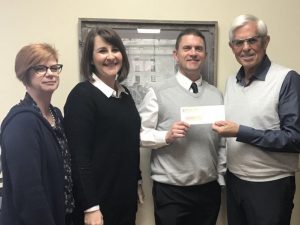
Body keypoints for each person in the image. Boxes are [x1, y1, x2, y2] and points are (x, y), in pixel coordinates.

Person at [212, 14, 300, 225]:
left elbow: (295, 139)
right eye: (238, 42)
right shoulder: (231, 81)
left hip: (271, 186)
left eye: (252, 40)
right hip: (235, 182)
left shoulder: (287, 79)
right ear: (231, 47)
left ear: (265, 41)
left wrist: (241, 131)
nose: (246, 48)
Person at [139, 28, 226, 225]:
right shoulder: (158, 92)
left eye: (198, 48)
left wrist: (220, 179)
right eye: (187, 48)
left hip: (208, 189)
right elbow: (139, 134)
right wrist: (165, 137)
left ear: (205, 54)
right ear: (176, 55)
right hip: (171, 192)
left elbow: (222, 142)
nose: (193, 53)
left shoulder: (216, 95)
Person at [64, 27, 144, 225]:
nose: (111, 56)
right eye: (102, 51)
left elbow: (129, 143)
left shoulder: (125, 95)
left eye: (115, 49)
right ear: (91, 59)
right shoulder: (82, 96)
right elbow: (78, 156)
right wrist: (90, 206)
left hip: (124, 199)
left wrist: (137, 180)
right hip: (97, 205)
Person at [0, 43, 74, 225]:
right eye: (40, 68)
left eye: (54, 67)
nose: (50, 73)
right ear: (25, 75)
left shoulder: (56, 115)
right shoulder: (21, 123)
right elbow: (28, 194)